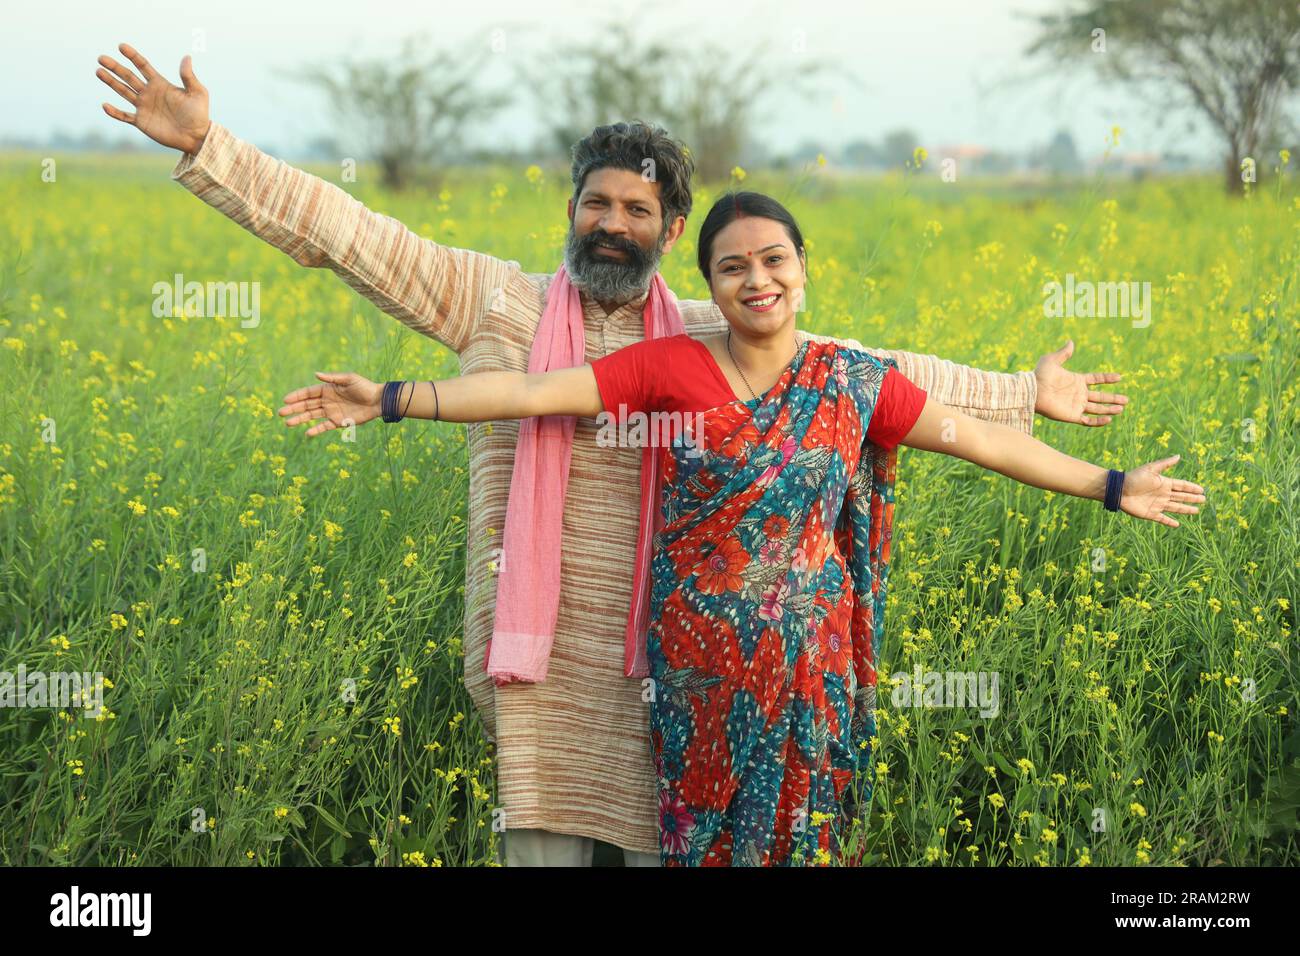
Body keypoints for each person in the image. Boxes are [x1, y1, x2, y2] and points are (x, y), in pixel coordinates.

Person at [98, 43, 1134, 866]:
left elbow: (864, 372)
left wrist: (1022, 393)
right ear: (570, 211)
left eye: (636, 209)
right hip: (538, 668)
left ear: (670, 228)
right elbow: (352, 236)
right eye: (596, 202)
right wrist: (211, 149)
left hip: (672, 670)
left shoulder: (699, 332)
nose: (611, 222)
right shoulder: (496, 302)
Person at [276, 190, 1205, 866]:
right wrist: (392, 397)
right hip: (698, 670)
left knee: (801, 845)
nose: (756, 279)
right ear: (708, 284)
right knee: (704, 842)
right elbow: (529, 393)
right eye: (733, 266)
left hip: (810, 666)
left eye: (773, 261)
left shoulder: (853, 379)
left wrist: (1110, 484)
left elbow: (982, 443)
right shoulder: (668, 366)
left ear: (801, 272)